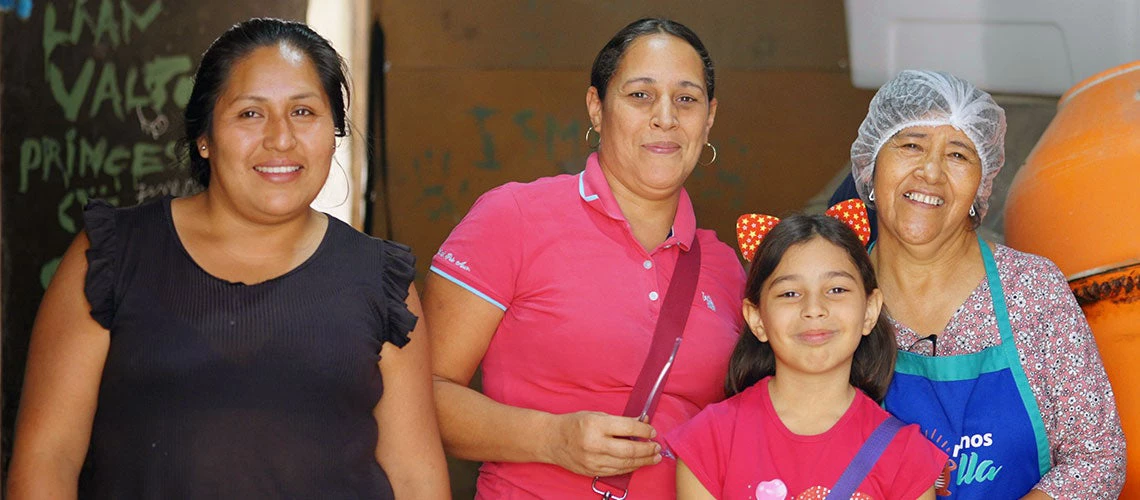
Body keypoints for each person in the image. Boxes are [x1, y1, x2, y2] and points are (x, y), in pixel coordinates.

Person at [7, 18, 448, 498]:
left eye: (303, 112)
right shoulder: (112, 256)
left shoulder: (380, 279)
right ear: (205, 137)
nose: (281, 139)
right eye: (250, 114)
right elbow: (48, 459)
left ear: (333, 131)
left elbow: (416, 478)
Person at [424, 18, 746, 498]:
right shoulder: (512, 217)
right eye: (640, 95)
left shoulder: (727, 268)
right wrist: (550, 440)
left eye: (686, 98)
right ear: (596, 108)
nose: (665, 117)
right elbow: (418, 396)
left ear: (710, 117)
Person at [851, 70, 1126, 499]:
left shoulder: (1033, 291)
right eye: (910, 145)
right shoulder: (834, 296)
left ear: (981, 186)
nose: (931, 172)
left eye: (958, 155)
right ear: (872, 164)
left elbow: (1098, 455)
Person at [669, 212, 946, 500]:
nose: (814, 308)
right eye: (790, 293)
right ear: (757, 319)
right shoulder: (709, 440)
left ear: (870, 310)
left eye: (837, 289)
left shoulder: (905, 455)